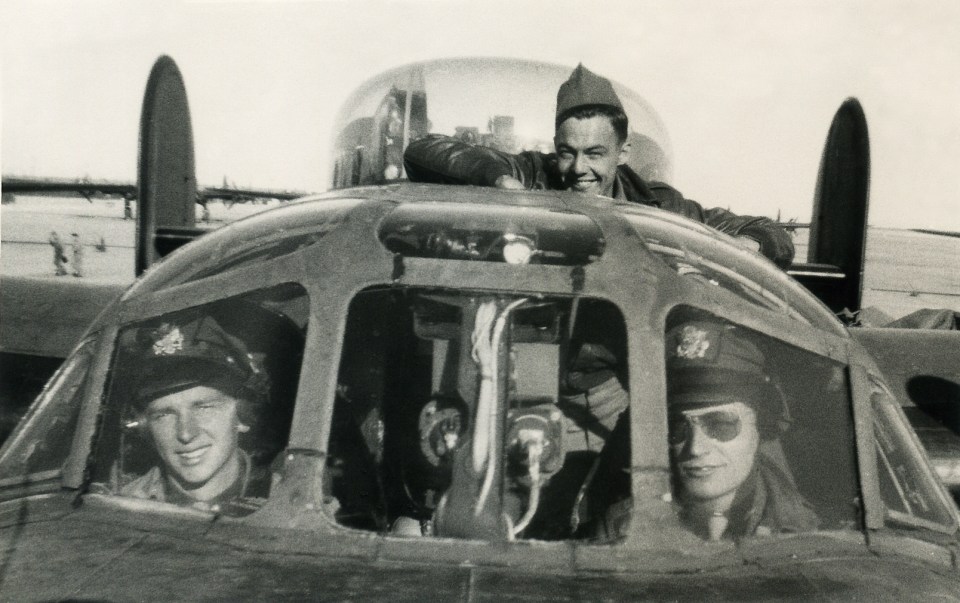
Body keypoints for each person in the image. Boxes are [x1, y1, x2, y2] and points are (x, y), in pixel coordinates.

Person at [403, 63, 795, 269]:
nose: (577, 169)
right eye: (567, 152)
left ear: (622, 153)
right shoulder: (530, 174)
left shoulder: (659, 206)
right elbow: (422, 151)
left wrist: (747, 245)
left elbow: (768, 232)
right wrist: (496, 178)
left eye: (594, 153)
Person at [664, 318, 818, 540]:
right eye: (678, 426)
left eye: (720, 424)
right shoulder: (620, 527)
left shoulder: (809, 532)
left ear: (760, 429)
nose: (695, 448)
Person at [119, 315, 273, 513]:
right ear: (144, 426)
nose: (186, 434)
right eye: (164, 415)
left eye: (204, 407)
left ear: (243, 416)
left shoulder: (289, 504)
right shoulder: (118, 507)